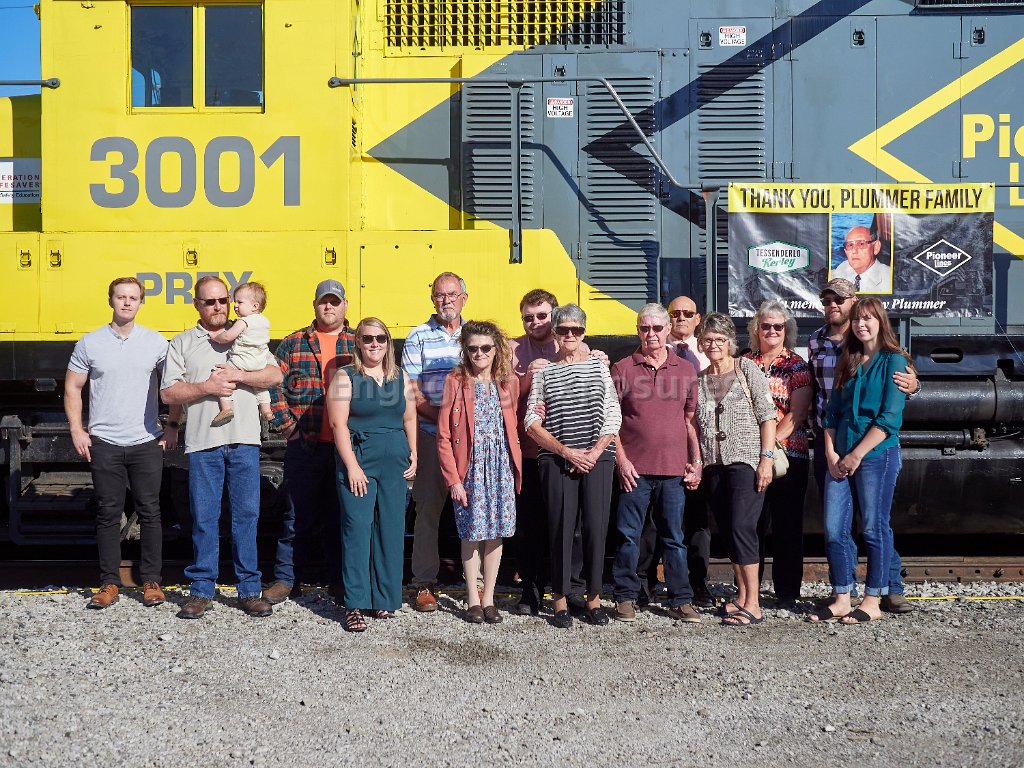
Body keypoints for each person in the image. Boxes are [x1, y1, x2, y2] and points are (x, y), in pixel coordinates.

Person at [161, 275, 283, 619]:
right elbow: (169, 393)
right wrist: (207, 387)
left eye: (222, 300)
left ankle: (249, 590)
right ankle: (202, 590)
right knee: (204, 518)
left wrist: (238, 375)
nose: (218, 307)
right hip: (203, 443)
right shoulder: (182, 343)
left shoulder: (246, 331)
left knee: (247, 517)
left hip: (244, 441)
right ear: (197, 304)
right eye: (209, 301)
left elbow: (274, 376)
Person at [65, 277, 179, 610]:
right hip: (105, 442)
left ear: (141, 302)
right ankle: (109, 583)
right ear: (110, 300)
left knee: (150, 512)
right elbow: (73, 387)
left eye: (133, 297)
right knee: (108, 514)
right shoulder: (90, 343)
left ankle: (152, 581)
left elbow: (174, 385)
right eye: (121, 297)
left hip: (146, 441)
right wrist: (77, 430)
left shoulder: (156, 343)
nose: (127, 302)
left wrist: (172, 426)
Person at [808, 278, 918, 614]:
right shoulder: (847, 358)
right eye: (858, 320)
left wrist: (856, 455)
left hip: (875, 456)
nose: (861, 324)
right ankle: (843, 598)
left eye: (867, 318)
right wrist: (831, 452)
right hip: (839, 454)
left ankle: (874, 599)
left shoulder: (894, 361)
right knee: (834, 529)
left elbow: (889, 419)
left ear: (880, 321)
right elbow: (831, 412)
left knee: (873, 526)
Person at [525, 304, 621, 629]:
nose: (570, 335)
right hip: (557, 459)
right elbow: (531, 421)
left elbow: (613, 413)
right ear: (554, 332)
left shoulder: (599, 366)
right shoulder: (544, 372)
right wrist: (566, 452)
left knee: (596, 528)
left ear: (584, 332)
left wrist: (594, 452)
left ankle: (594, 598)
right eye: (563, 330)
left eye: (576, 330)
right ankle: (560, 600)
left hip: (597, 457)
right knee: (560, 529)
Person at [264, 279, 355, 605]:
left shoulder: (358, 343)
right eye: (323, 301)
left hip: (346, 448)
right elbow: (273, 388)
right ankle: (286, 580)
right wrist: (290, 429)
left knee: (341, 518)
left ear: (345, 305)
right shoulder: (293, 344)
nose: (328, 306)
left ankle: (340, 582)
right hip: (306, 444)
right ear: (314, 305)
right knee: (295, 516)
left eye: (335, 301)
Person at [610, 304, 702, 624]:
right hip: (634, 471)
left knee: (674, 538)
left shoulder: (685, 370)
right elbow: (611, 421)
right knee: (628, 537)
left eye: (657, 328)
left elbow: (690, 421)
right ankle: (625, 597)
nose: (651, 334)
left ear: (668, 330)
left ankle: (681, 599)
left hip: (673, 470)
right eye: (644, 328)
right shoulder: (623, 368)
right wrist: (621, 461)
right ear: (638, 330)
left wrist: (696, 461)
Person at [328, 318, 417, 632]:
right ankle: (354, 604)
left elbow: (409, 417)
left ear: (388, 342)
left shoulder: (400, 376)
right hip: (360, 459)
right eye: (367, 338)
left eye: (380, 338)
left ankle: (384, 599)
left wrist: (414, 452)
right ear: (358, 343)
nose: (374, 344)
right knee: (357, 530)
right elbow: (338, 424)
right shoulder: (345, 376)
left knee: (391, 529)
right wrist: (352, 466)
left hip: (394, 461)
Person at [509, 288, 594, 616]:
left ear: (555, 315)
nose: (535, 322)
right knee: (529, 526)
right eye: (528, 318)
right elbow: (505, 397)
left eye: (542, 315)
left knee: (573, 526)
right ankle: (530, 591)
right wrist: (529, 379)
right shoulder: (512, 349)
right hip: (529, 452)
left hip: (568, 451)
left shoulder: (578, 346)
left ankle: (572, 588)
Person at [695, 313, 777, 627]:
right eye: (707, 339)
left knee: (743, 527)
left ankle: (754, 604)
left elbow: (767, 415)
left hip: (745, 461)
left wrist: (766, 459)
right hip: (714, 465)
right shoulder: (699, 379)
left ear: (730, 342)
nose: (713, 344)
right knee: (729, 529)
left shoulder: (746, 369)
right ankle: (741, 596)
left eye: (719, 339)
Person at [438, 321, 522, 624]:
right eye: (472, 348)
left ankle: (489, 599)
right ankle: (472, 597)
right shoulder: (455, 381)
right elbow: (444, 435)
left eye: (486, 347)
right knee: (470, 532)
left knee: (496, 532)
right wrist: (454, 480)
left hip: (500, 465)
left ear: (496, 349)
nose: (479, 354)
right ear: (465, 350)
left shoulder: (508, 382)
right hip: (470, 467)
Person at [402, 272, 467, 612]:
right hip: (431, 435)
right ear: (432, 299)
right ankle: (424, 582)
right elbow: (412, 392)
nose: (446, 301)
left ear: (464, 298)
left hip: (470, 439)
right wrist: (445, 421)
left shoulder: (476, 335)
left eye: (452, 294)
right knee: (427, 509)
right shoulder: (418, 337)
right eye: (440, 295)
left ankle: (476, 582)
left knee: (475, 507)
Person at [743, 301, 813, 611]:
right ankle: (749, 591)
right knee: (751, 524)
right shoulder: (744, 363)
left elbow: (797, 415)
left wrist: (768, 449)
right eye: (766, 325)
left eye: (778, 326)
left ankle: (787, 592)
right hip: (750, 456)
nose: (772, 331)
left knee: (787, 524)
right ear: (756, 329)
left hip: (788, 455)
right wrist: (759, 452)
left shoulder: (797, 365)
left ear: (787, 331)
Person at [662, 295, 713, 608]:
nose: (681, 318)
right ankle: (646, 583)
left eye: (687, 313)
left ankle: (698, 583)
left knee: (697, 520)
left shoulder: (709, 352)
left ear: (698, 319)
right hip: (665, 447)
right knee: (655, 520)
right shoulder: (654, 348)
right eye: (675, 313)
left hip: (701, 448)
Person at [210, 282, 273, 427]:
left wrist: (216, 337)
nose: (235, 306)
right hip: (259, 362)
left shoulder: (244, 321)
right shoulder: (265, 321)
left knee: (221, 376)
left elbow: (228, 337)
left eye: (240, 302)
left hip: (242, 360)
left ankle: (226, 409)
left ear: (255, 306)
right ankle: (267, 411)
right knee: (260, 387)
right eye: (235, 302)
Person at [833, 225, 892, 293]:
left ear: (876, 247)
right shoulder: (842, 269)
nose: (854, 251)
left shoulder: (889, 280)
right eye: (850, 245)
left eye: (861, 244)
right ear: (845, 251)